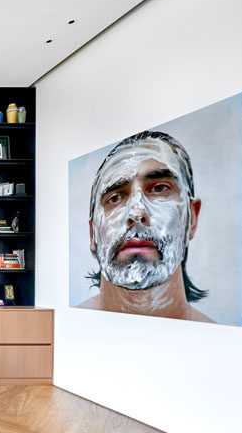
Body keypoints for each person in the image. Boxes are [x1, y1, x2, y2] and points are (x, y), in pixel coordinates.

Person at [78, 131, 213, 322]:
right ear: (93, 235)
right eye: (114, 198)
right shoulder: (68, 326)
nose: (136, 212)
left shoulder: (227, 344)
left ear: (191, 218)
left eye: (159, 188)